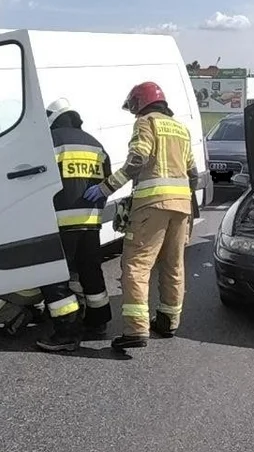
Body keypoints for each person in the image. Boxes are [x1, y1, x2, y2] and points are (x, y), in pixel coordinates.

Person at [83, 82, 199, 351]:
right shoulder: (181, 129)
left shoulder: (146, 123)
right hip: (181, 207)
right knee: (173, 264)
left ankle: (136, 330)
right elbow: (192, 173)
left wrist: (105, 187)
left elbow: (137, 160)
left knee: (136, 265)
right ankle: (169, 321)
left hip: (152, 205)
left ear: (140, 103)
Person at [35, 98, 113, 353]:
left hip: (58, 221)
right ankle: (98, 322)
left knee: (55, 277)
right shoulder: (96, 144)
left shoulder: (50, 143)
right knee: (91, 272)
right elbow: (106, 183)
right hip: (90, 222)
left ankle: (66, 331)